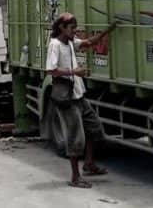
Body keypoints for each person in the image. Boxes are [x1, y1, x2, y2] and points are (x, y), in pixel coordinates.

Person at [46, 12, 117, 188]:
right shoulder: (55, 45)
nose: (75, 31)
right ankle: (75, 177)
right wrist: (73, 72)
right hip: (67, 98)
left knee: (94, 129)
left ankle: (89, 163)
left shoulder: (70, 42)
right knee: (75, 138)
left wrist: (108, 30)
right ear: (62, 28)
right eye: (72, 28)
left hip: (79, 94)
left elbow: (88, 43)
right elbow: (51, 70)